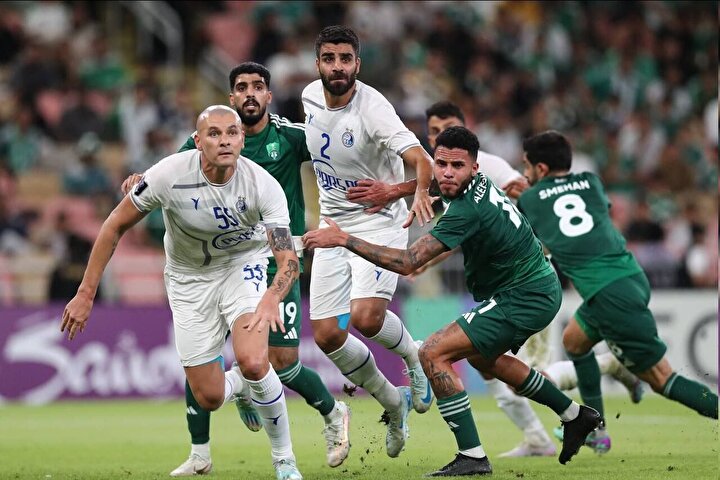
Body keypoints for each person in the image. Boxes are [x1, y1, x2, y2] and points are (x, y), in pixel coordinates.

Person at [303, 126, 602, 476]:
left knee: (433, 352)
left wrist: (343, 238)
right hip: (532, 288)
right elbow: (431, 186)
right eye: (441, 163)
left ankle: (472, 456)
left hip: (525, 295)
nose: (446, 172)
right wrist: (395, 191)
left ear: (473, 168)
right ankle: (575, 415)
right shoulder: (473, 185)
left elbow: (408, 261)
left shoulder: (467, 210)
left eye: (456, 165)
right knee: (485, 361)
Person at [121, 63, 350, 475]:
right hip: (217, 263)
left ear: (267, 95)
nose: (249, 93)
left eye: (257, 87)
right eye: (241, 87)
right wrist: (141, 178)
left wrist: (356, 209)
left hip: (276, 258)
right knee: (212, 363)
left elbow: (338, 158)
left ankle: (330, 416)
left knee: (280, 362)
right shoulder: (207, 140)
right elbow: (169, 174)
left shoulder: (290, 138)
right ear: (230, 98)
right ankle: (202, 450)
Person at [62, 105, 304, 480]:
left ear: (242, 139)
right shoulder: (168, 174)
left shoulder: (263, 185)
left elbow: (288, 258)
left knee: (255, 361)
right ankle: (239, 386)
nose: (224, 140)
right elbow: (113, 227)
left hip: (243, 267)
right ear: (197, 141)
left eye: (232, 133)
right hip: (188, 281)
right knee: (208, 396)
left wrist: (272, 296)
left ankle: (284, 460)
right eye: (214, 134)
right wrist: (85, 293)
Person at [518, 131, 718, 448]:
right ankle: (595, 430)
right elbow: (590, 212)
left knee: (662, 378)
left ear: (540, 169)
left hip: (608, 292)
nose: (524, 173)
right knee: (574, 341)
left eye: (526, 166)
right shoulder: (591, 181)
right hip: (627, 276)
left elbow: (532, 227)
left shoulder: (529, 199)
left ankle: (595, 430)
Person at [300, 25, 435, 459]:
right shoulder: (307, 97)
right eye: (329, 59)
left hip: (378, 223)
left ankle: (415, 361)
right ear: (318, 62)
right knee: (325, 335)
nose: (337, 67)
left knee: (366, 317)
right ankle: (393, 403)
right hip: (332, 226)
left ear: (358, 63)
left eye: (345, 59)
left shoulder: (373, 108)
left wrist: (392, 192)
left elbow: (424, 164)